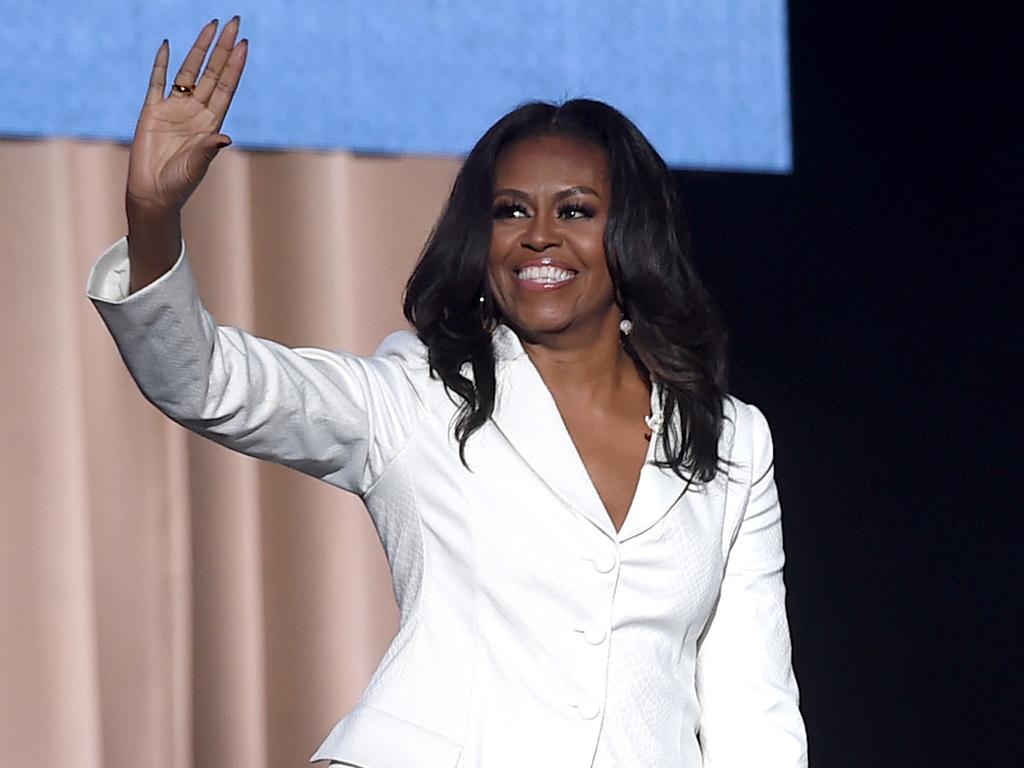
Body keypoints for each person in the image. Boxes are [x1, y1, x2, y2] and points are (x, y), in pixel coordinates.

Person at [87, 17, 808, 768]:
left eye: (575, 210)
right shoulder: (420, 395)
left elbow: (753, 708)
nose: (538, 236)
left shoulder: (730, 442)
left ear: (633, 233)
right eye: (510, 211)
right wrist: (153, 219)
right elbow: (206, 381)